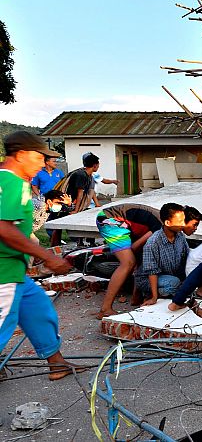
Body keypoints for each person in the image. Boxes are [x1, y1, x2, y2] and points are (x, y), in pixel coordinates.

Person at [0, 131, 80, 380]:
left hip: (16, 272)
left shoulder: (9, 179)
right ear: (22, 154)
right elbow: (3, 228)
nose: (43, 164)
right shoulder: (13, 181)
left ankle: (57, 364)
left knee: (38, 309)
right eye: (39, 157)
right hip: (4, 272)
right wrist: (48, 257)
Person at [95, 203, 161, 317]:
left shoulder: (161, 220)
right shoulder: (160, 226)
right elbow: (134, 247)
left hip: (123, 221)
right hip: (110, 219)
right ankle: (105, 308)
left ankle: (136, 297)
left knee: (137, 259)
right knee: (128, 263)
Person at [134, 203, 189, 305]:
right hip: (148, 279)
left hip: (169, 275)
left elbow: (186, 257)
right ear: (168, 222)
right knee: (174, 283)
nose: (184, 224)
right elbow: (152, 272)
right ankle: (150, 295)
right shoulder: (153, 242)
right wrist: (154, 298)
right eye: (180, 221)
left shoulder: (180, 237)